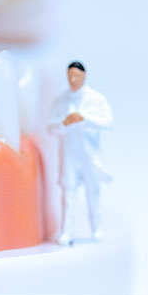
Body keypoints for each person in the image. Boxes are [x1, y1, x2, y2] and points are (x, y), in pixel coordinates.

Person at [48, 61, 113, 246]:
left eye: (76, 76)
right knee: (68, 195)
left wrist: (84, 119)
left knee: (93, 193)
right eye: (69, 76)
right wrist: (64, 123)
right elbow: (51, 128)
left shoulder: (96, 99)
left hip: (89, 155)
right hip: (69, 154)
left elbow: (108, 123)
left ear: (84, 77)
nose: (72, 80)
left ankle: (96, 229)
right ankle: (67, 232)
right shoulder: (60, 100)